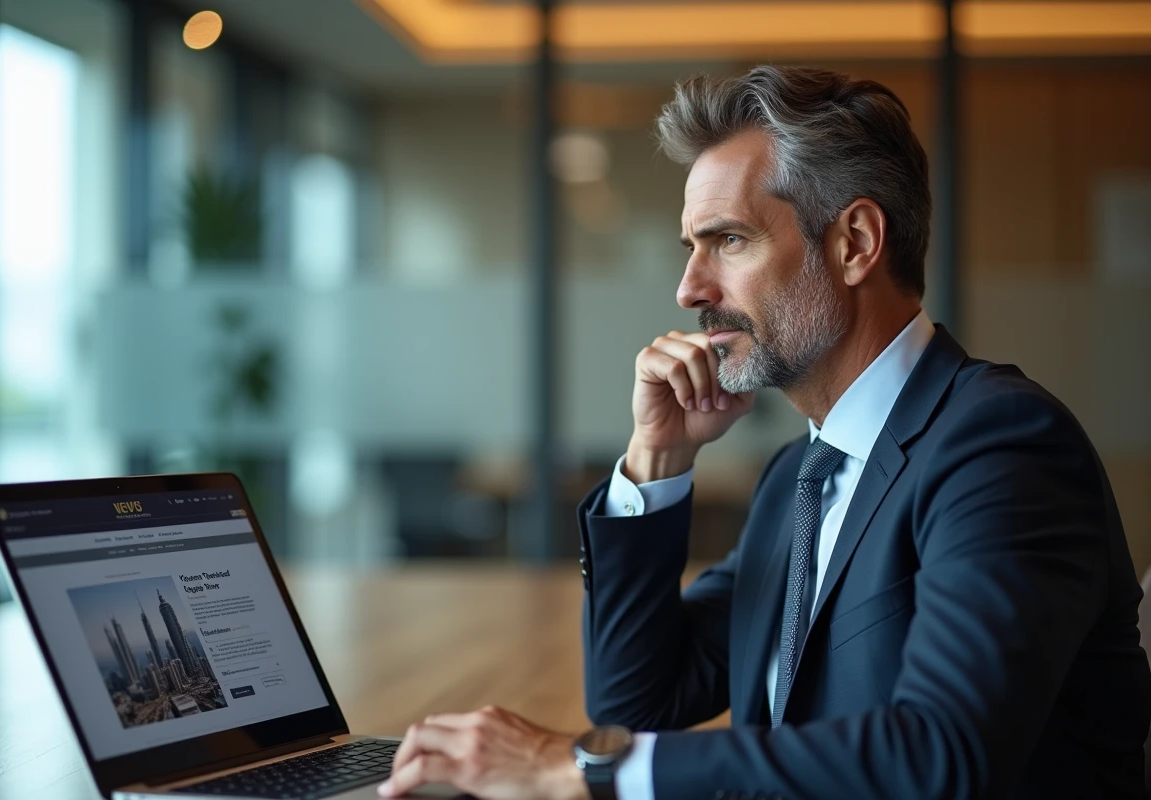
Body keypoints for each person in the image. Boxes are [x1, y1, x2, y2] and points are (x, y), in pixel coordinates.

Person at [379, 65, 1151, 800]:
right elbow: (636, 701)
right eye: (692, 247)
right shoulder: (801, 477)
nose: (689, 288)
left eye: (730, 240)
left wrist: (578, 768)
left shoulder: (1001, 445)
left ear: (854, 244)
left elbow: (941, 757)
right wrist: (657, 460)